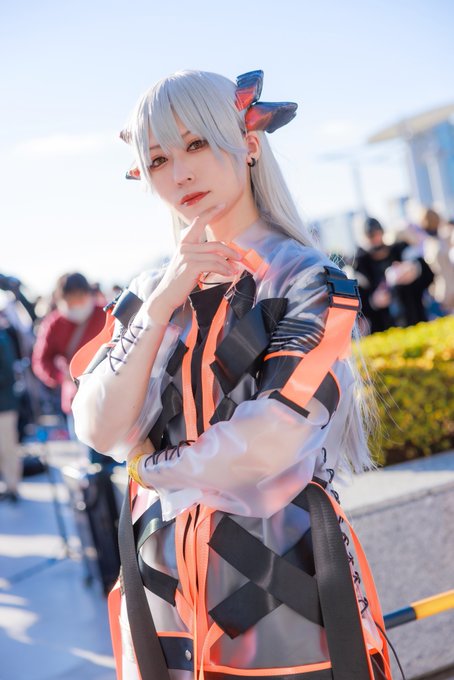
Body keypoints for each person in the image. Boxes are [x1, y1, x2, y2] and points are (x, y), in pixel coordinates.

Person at [72, 70, 393, 679]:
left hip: (283, 599)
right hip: (163, 599)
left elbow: (266, 443)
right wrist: (163, 301)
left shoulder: (308, 280)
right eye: (159, 158)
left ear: (248, 142)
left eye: (196, 144)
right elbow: (98, 425)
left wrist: (149, 468)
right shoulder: (150, 293)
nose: (180, 173)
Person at [32, 272, 107, 460]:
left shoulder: (106, 313)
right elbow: (40, 361)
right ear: (61, 300)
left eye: (80, 298)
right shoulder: (54, 323)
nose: (77, 305)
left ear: (89, 294)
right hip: (77, 398)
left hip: (110, 393)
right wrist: (60, 376)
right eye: (71, 301)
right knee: (89, 458)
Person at [354, 217, 434, 333]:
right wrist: (373, 301)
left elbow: (429, 276)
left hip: (416, 321)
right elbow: (357, 305)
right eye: (371, 236)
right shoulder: (360, 265)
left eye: (377, 234)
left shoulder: (400, 251)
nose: (376, 239)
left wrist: (415, 270)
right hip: (384, 330)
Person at [0, 314, 21, 502]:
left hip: (4, 405)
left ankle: (12, 487)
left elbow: (7, 372)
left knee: (8, 448)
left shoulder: (2, 338)